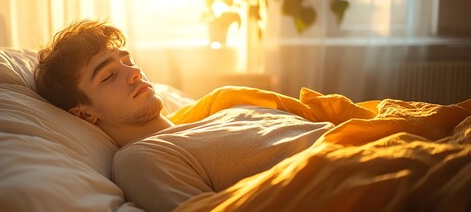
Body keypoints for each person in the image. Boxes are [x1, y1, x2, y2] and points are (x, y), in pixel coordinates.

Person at [34, 20, 335, 212]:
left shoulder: (217, 110)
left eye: (128, 61)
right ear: (85, 114)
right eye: (110, 75)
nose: (134, 72)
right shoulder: (141, 157)